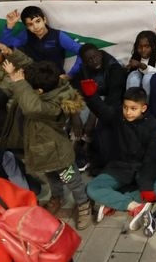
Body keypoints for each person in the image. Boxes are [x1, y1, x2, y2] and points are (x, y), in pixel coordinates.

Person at [6, 59, 92, 229]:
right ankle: (57, 197)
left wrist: (20, 83)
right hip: (43, 152)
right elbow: (35, 64)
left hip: (58, 153)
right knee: (52, 178)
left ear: (38, 91)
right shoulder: (50, 86)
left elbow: (31, 107)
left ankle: (83, 204)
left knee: (71, 179)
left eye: (28, 87)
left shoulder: (52, 104)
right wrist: (13, 56)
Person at [83, 86, 156, 229]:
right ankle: (133, 206)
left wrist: (146, 185)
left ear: (143, 108)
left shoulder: (153, 124)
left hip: (145, 169)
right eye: (125, 107)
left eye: (133, 108)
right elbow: (102, 111)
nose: (128, 112)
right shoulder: (118, 116)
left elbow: (151, 157)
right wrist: (91, 96)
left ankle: (113, 201)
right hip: (120, 167)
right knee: (92, 188)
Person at [0, 5, 83, 76]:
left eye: (38, 21)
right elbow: (3, 46)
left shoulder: (58, 36)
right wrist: (9, 26)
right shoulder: (26, 35)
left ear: (44, 20)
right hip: (32, 78)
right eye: (30, 24)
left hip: (55, 79)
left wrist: (71, 75)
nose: (35, 27)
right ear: (27, 27)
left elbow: (83, 51)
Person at [125, 31, 156, 122]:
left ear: (153, 46)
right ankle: (132, 109)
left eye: (147, 46)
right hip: (141, 76)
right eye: (140, 46)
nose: (143, 50)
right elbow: (134, 69)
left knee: (148, 78)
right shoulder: (137, 52)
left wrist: (140, 65)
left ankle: (146, 112)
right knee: (133, 76)